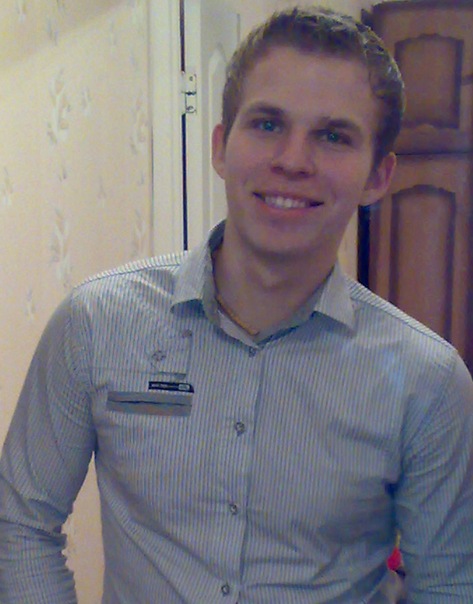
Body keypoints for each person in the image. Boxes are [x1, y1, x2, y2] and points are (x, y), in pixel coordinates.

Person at [1, 6, 473, 603]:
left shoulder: (428, 381)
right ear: (222, 146)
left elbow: (449, 582)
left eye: (333, 136)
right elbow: (21, 522)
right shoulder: (96, 323)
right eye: (268, 124)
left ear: (378, 176)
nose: (293, 160)